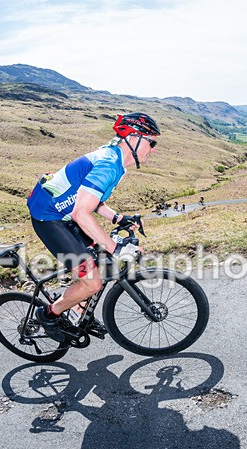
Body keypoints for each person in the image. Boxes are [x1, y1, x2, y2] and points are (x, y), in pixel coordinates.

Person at [27, 112, 160, 341]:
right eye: (152, 142)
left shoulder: (116, 161)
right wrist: (114, 248)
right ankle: (48, 314)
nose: (154, 149)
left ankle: (79, 312)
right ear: (134, 138)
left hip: (66, 215)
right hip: (49, 218)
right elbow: (81, 212)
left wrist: (117, 218)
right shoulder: (109, 164)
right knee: (93, 281)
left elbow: (90, 199)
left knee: (98, 260)